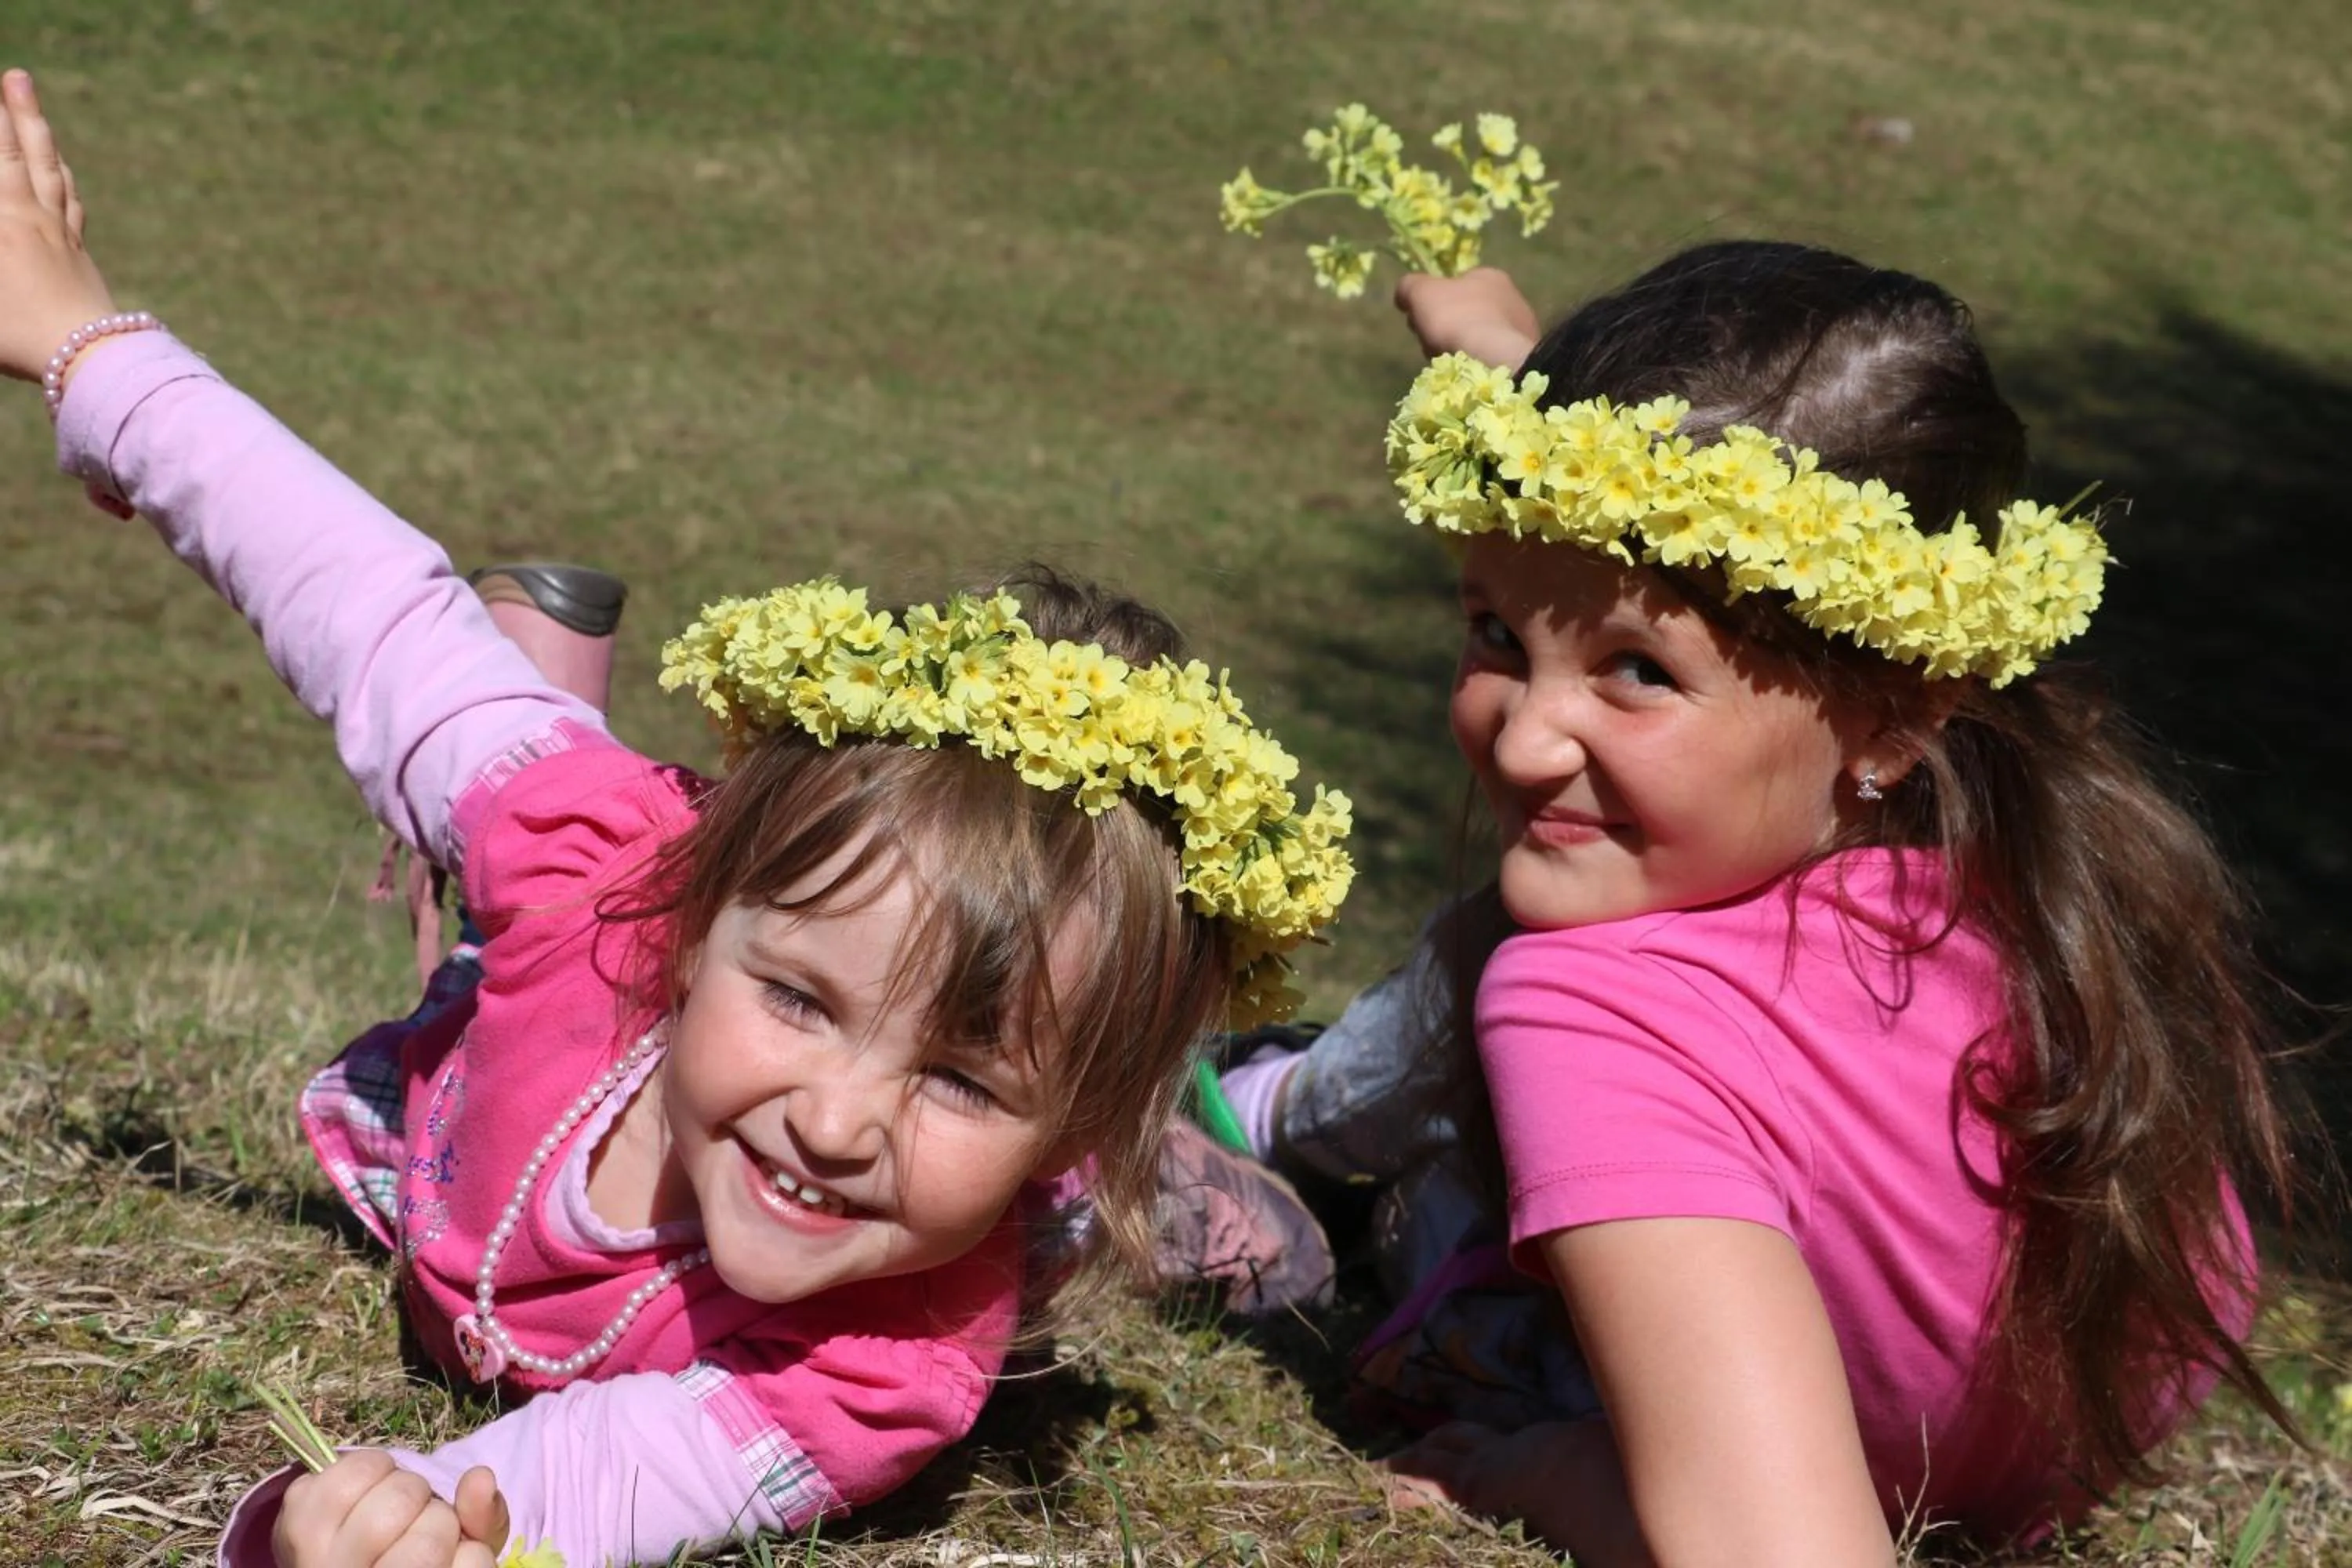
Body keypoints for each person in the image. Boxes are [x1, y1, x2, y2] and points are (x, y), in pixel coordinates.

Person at [0, 70, 1354, 1568]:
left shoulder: (886, 1366)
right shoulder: (607, 871)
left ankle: (1155, 1169)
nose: (839, 1123)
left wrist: (389, 1525)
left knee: (1072, 1217)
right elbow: (361, 609)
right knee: (489, 780)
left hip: (1026, 1167)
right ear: (698, 925)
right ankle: (537, 690)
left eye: (966, 1082)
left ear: (1057, 1131)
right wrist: (90, 347)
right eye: (793, 996)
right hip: (541, 985)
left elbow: (602, 1477)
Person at [1210, 249, 2300, 1563]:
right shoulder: (2034, 853)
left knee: (1493, 978)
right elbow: (1600, 528)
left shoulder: (1598, 1012)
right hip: (2046, 1455)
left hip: (1812, 1447)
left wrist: (1555, 1470)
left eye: (1636, 674)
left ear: (1891, 714)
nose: (1523, 740)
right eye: (1498, 633)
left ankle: (1269, 1113)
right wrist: (1489, 345)